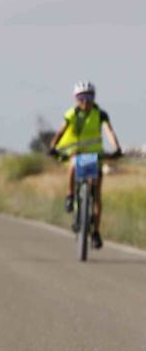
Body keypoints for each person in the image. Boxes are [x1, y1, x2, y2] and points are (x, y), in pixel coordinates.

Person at [47, 81, 123, 249]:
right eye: (82, 98)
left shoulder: (100, 114)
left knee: (96, 195)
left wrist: (117, 148)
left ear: (94, 98)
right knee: (73, 165)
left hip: (96, 156)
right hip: (77, 153)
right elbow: (60, 132)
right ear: (76, 99)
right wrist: (52, 147)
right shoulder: (71, 114)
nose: (86, 102)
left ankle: (96, 231)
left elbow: (109, 131)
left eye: (89, 97)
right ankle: (69, 196)